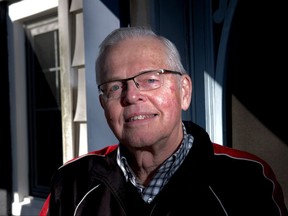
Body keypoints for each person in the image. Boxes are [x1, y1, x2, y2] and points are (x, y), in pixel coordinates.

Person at [39, 26, 288, 216]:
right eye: (115, 87)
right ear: (104, 105)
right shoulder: (72, 182)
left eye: (150, 79)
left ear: (185, 91)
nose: (132, 95)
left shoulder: (247, 179)